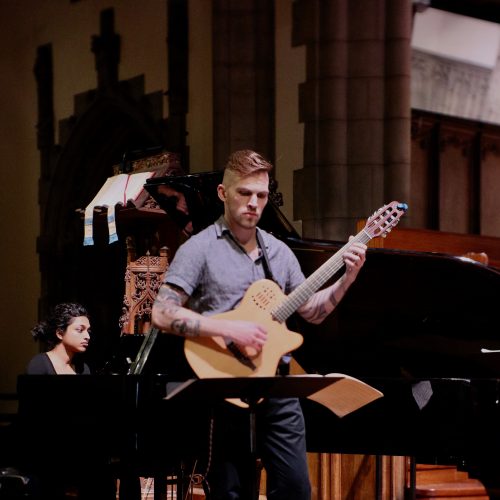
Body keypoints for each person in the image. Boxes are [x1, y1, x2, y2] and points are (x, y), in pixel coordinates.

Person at [151, 149, 367, 500]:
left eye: (262, 195)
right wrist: (227, 329)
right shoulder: (198, 249)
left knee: (296, 489)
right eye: (245, 193)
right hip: (223, 383)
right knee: (231, 491)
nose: (254, 203)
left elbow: (312, 312)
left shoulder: (279, 252)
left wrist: (347, 278)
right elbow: (162, 314)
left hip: (277, 384)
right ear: (223, 193)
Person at [26, 302, 91, 375]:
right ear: (60, 333)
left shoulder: (82, 368)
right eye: (80, 330)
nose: (88, 336)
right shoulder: (39, 364)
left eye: (88, 331)